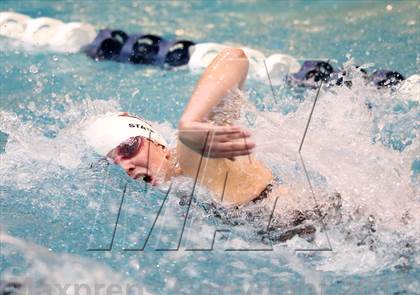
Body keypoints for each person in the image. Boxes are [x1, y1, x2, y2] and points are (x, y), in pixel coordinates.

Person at [84, 47, 341, 241]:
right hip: (306, 225)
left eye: (127, 149)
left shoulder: (191, 152)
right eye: (115, 161)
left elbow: (235, 57)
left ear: (156, 141)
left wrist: (190, 122)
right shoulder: (181, 178)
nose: (125, 166)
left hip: (320, 218)